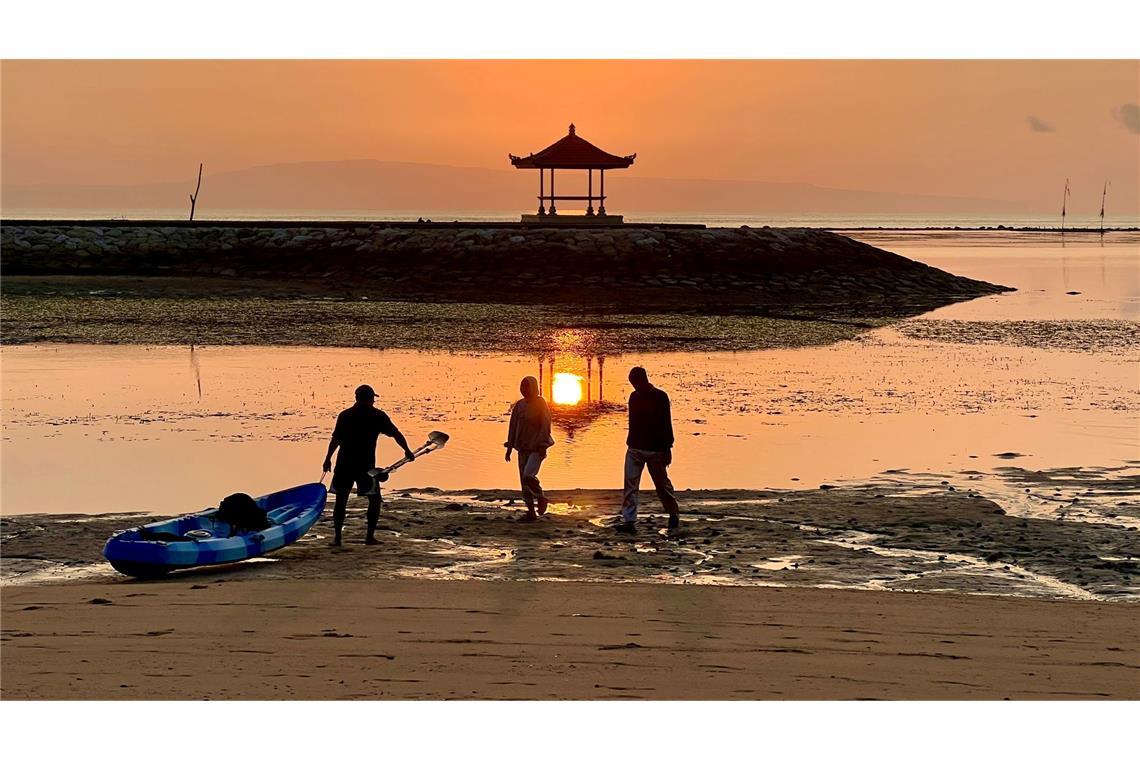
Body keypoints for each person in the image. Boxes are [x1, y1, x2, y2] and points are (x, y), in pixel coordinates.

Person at [322, 384, 415, 546]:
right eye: (372, 398)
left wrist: (328, 458)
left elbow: (335, 439)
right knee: (374, 499)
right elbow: (396, 433)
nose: (373, 401)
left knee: (341, 500)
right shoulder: (377, 416)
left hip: (344, 463)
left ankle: (337, 538)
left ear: (356, 398)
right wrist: (407, 450)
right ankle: (369, 537)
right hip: (366, 466)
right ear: (370, 398)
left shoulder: (345, 415)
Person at [617, 367, 680, 533]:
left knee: (661, 484)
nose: (636, 388)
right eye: (633, 385)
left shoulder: (660, 397)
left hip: (656, 449)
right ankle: (629, 520)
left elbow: (666, 424)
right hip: (635, 447)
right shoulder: (633, 397)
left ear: (644, 380)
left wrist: (668, 448)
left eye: (637, 384)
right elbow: (632, 423)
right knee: (630, 484)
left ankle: (673, 513)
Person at [504, 376, 554, 522]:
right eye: (522, 386)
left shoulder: (540, 403)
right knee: (523, 481)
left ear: (534, 387)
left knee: (528, 476)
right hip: (522, 447)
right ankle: (531, 511)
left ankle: (540, 497)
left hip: (537, 448)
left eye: (526, 386)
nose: (524, 389)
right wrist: (509, 447)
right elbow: (513, 427)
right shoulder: (519, 405)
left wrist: (542, 445)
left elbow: (546, 424)